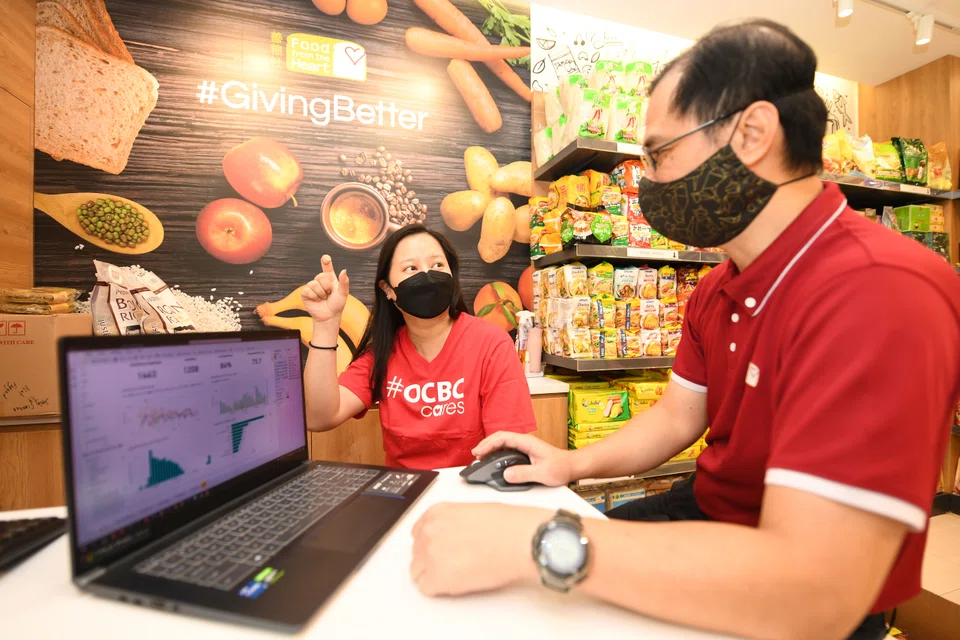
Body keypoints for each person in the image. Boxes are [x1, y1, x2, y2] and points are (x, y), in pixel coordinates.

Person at [408, 19, 960, 640]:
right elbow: (676, 418)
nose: (648, 181)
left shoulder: (880, 289)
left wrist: (539, 542)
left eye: (660, 153)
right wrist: (570, 463)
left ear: (752, 133)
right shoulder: (717, 288)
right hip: (705, 513)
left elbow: (818, 590)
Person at [301, 224, 537, 469]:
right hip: (404, 495)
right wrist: (326, 324)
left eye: (437, 266)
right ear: (388, 289)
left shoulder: (491, 343)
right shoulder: (382, 354)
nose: (427, 276)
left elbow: (509, 450)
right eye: (411, 268)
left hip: (471, 491)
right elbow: (319, 417)